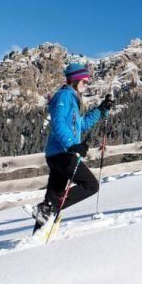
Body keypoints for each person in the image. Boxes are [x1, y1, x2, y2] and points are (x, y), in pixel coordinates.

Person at [32, 63, 114, 230]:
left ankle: (39, 230)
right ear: (75, 80)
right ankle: (49, 207)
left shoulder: (74, 99)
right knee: (91, 185)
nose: (86, 84)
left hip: (59, 154)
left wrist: (99, 110)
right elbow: (58, 122)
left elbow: (81, 125)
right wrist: (72, 145)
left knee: (53, 195)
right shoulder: (64, 96)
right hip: (62, 154)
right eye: (84, 81)